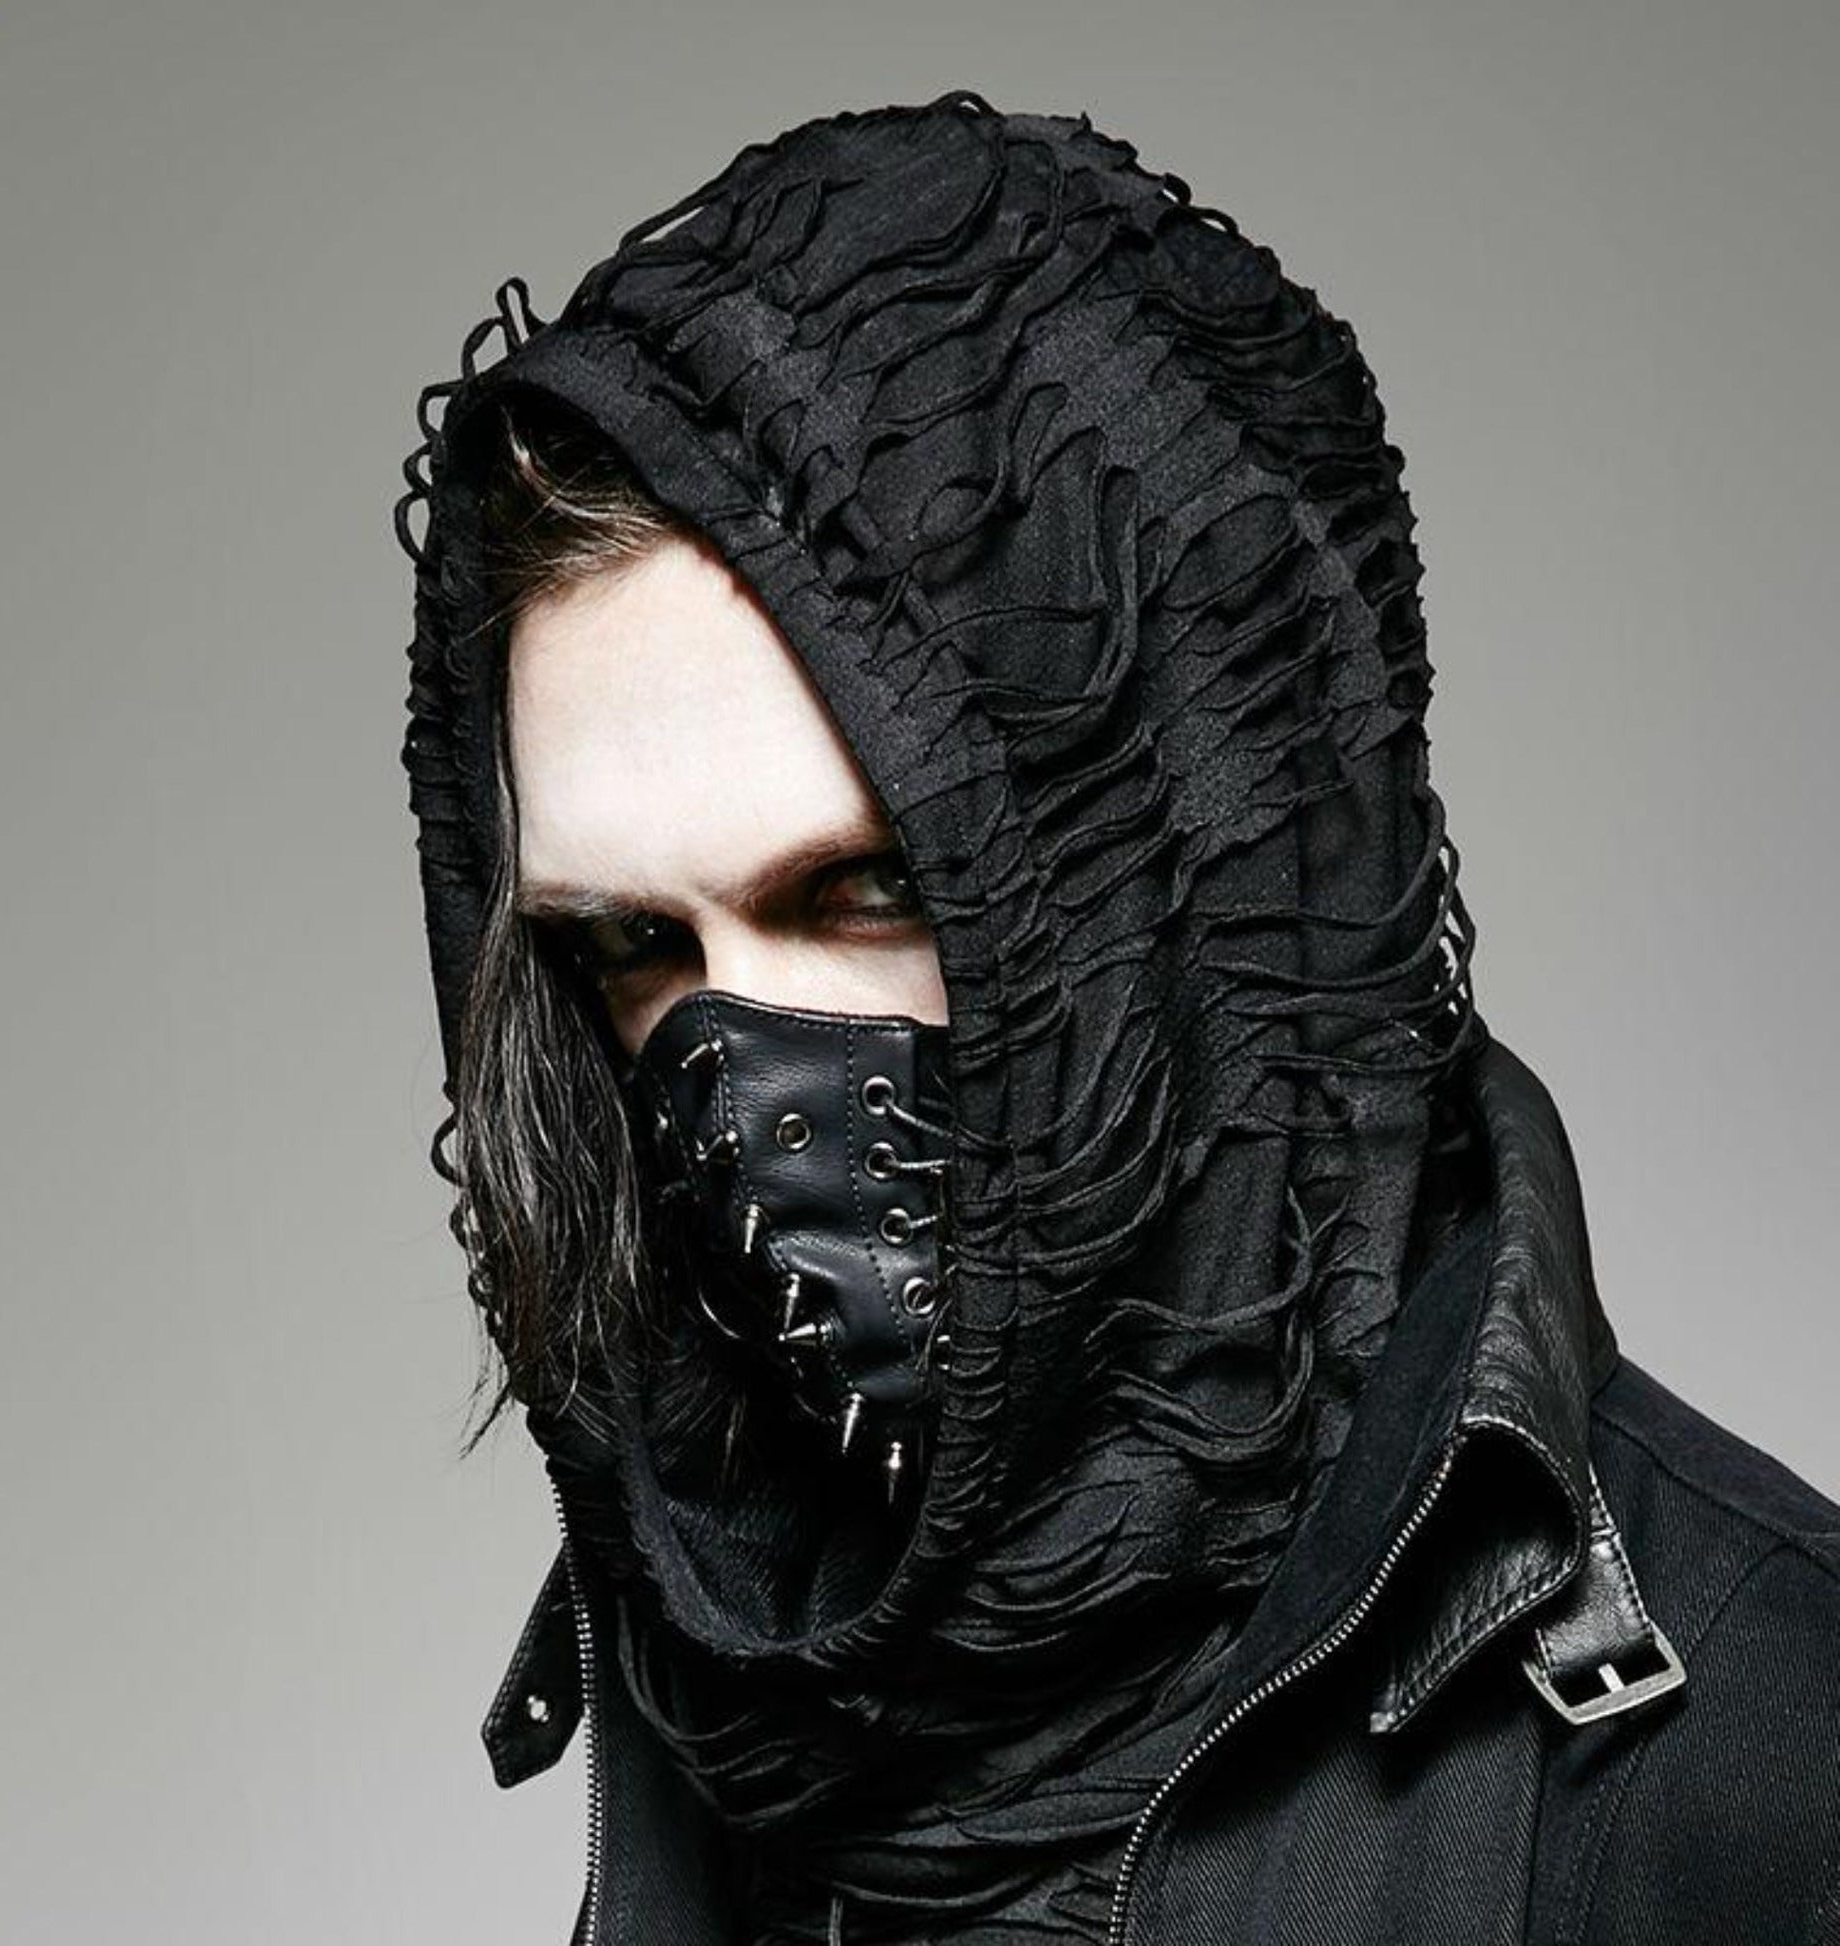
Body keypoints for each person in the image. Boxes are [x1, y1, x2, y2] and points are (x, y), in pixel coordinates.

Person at [394, 89, 1840, 1946]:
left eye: (870, 891)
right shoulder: (719, 1664)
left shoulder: (1770, 1770)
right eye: (630, 943)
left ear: (1197, 882)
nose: (742, 1076)